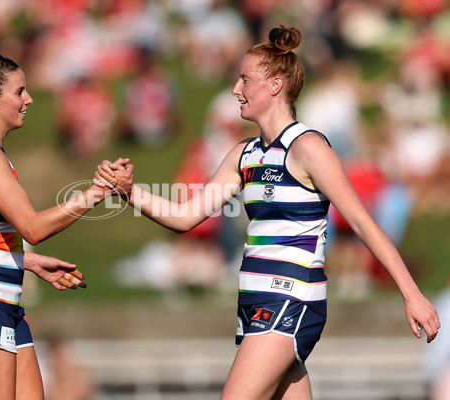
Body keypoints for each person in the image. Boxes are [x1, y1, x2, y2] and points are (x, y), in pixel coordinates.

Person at [96, 25, 440, 399]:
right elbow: (185, 217)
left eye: (245, 79)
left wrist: (412, 294)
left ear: (275, 85)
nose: (235, 90)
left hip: (288, 301)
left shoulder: (307, 147)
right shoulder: (244, 153)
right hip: (254, 305)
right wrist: (129, 193)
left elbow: (361, 222)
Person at [0, 43, 133, 400]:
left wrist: (27, 262)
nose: (29, 99)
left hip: (0, 302)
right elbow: (33, 228)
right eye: (19, 92)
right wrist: (98, 191)